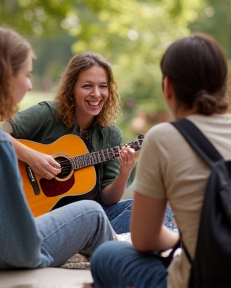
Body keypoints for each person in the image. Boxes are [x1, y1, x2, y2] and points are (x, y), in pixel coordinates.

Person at [0, 24, 115, 283]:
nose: (29, 86)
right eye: (26, 75)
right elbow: (9, 248)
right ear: (2, 77)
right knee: (92, 213)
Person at [90, 33, 230, 288]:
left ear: (167, 87)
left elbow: (145, 239)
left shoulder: (164, 136)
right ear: (223, 84)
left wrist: (182, 239)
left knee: (106, 255)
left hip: (199, 279)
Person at [2, 51, 174, 234]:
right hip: (39, 215)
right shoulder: (48, 114)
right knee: (99, 215)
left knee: (161, 208)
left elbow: (107, 200)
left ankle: (88, 240)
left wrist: (124, 173)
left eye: (103, 86)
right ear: (71, 88)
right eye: (87, 86)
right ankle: (95, 241)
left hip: (87, 220)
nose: (96, 94)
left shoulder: (109, 134)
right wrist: (33, 158)